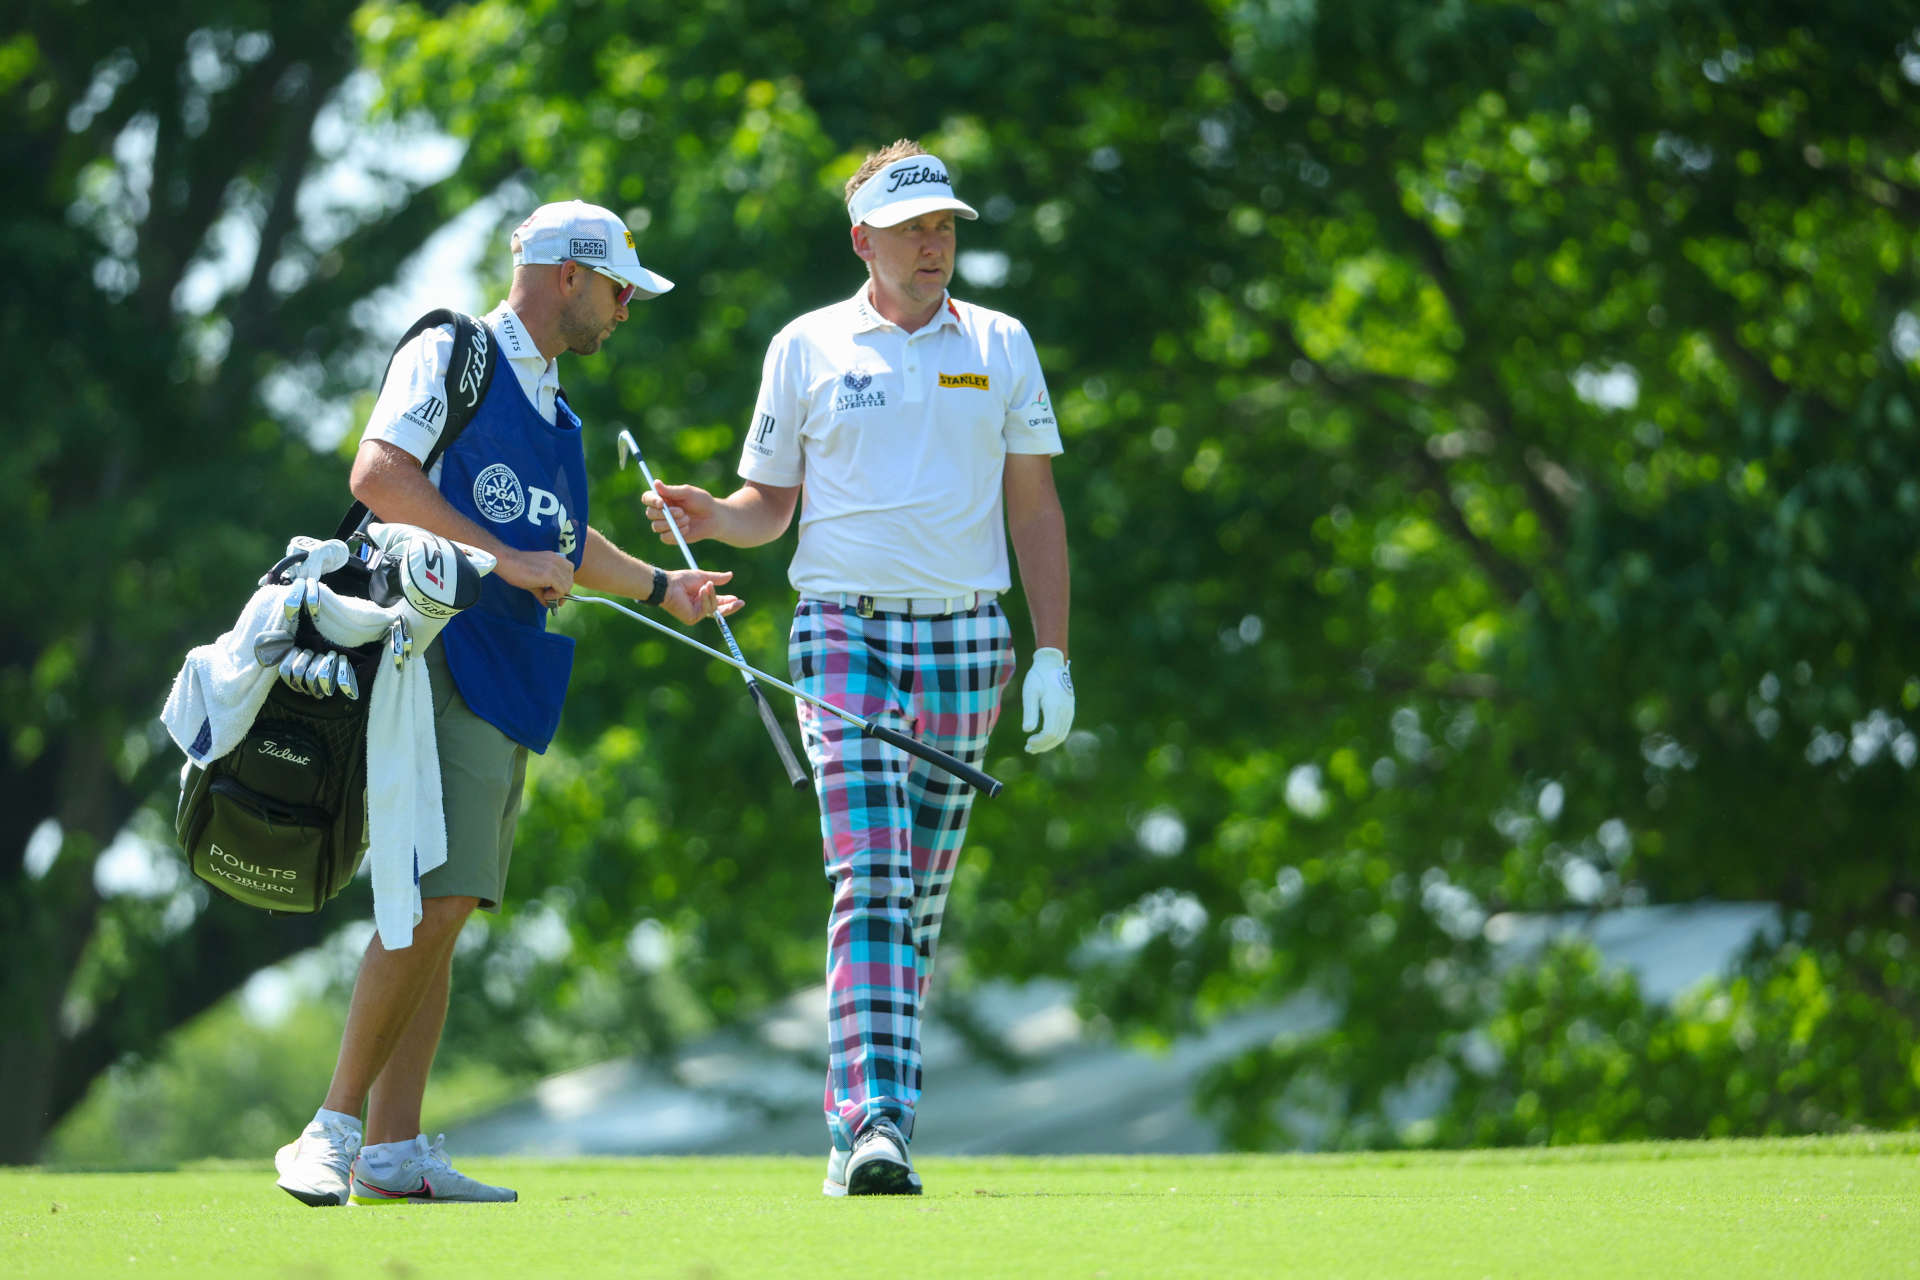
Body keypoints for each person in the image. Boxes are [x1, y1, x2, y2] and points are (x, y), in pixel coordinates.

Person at [274, 200, 741, 1207]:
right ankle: (332, 1127)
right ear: (568, 275)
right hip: (432, 652)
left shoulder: (556, 404)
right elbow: (378, 474)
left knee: (451, 906)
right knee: (433, 896)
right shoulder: (454, 351)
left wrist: (662, 586)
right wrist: (501, 558)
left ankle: (393, 1149)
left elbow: (560, 542)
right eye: (619, 289)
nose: (626, 310)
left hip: (505, 669)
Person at [644, 141, 1076, 1196]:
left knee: (917, 898)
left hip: (969, 640)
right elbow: (769, 505)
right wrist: (714, 516)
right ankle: (876, 1118)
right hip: (841, 633)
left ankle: (863, 1121)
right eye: (912, 229)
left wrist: (1053, 651)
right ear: (862, 242)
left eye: (945, 227)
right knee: (871, 872)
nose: (935, 244)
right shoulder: (806, 346)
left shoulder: (1002, 342)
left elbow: (1032, 506)